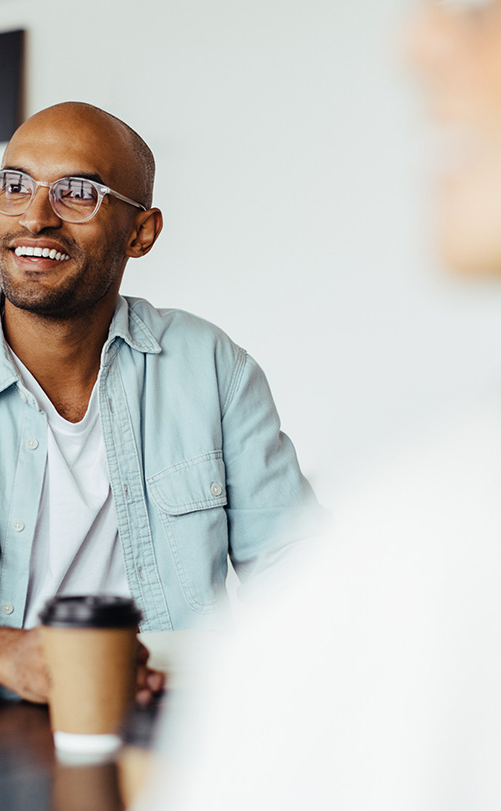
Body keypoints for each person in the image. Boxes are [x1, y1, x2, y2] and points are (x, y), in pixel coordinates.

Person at [0, 101, 324, 702]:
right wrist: (11, 657)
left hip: (172, 722)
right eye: (15, 185)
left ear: (142, 232)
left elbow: (305, 574)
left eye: (77, 192)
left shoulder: (213, 370)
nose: (35, 217)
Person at [139, 2, 501, 808]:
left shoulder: (432, 541)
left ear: (143, 233)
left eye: (478, 8)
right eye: (12, 186)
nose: (418, 45)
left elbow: (295, 560)